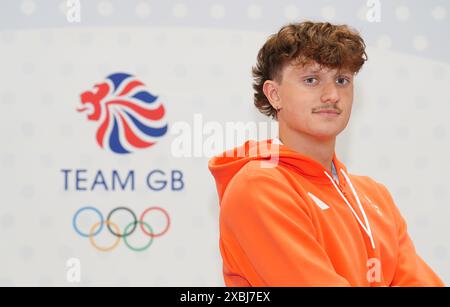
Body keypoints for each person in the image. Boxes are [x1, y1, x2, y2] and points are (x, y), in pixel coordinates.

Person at [208, 21, 444, 286]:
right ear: (274, 95)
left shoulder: (374, 196)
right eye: (311, 80)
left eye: (342, 80)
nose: (332, 95)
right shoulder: (259, 187)